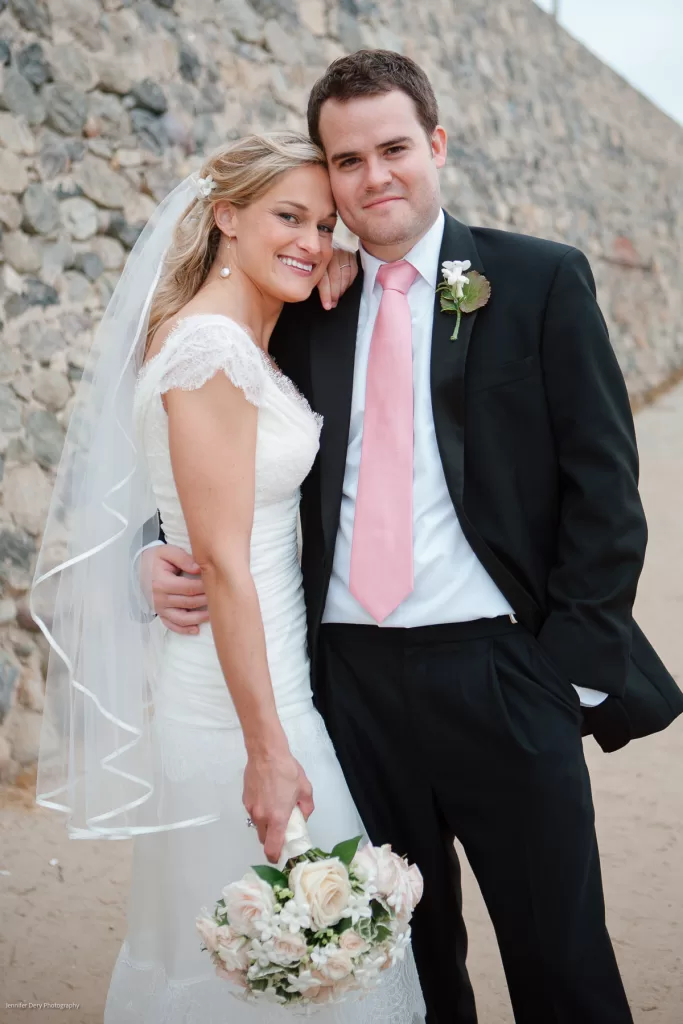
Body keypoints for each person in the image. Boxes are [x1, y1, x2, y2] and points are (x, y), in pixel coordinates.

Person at [146, 51, 683, 1024]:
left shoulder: (537, 279)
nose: (372, 177)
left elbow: (604, 491)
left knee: (559, 961)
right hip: (346, 689)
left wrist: (563, 672)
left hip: (504, 675)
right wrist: (158, 536)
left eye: (393, 148)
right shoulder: (309, 298)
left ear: (434, 144)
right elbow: (216, 432)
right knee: (403, 969)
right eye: (345, 162)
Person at [31, 132, 425, 1024]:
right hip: (235, 705)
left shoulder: (244, 332)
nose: (313, 240)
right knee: (256, 956)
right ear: (224, 217)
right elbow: (223, 567)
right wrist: (267, 751)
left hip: (276, 680)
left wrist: (337, 256)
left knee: (279, 958)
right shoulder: (210, 348)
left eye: (325, 224)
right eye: (290, 216)